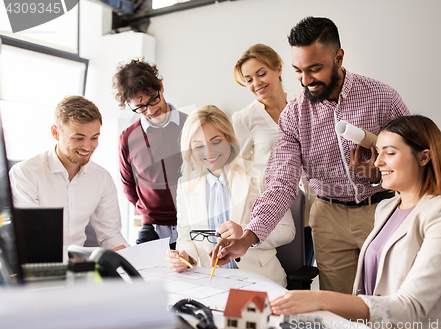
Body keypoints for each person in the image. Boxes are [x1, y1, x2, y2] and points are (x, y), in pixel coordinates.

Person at [211, 16, 411, 294]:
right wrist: (248, 237)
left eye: (314, 69)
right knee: (339, 306)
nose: (306, 80)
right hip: (328, 219)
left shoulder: (381, 97)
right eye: (298, 71)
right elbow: (281, 185)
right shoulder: (294, 115)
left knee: (390, 297)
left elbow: (414, 155)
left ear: (338, 57)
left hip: (382, 209)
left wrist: (382, 172)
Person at [270, 115, 441, 329]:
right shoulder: (386, 208)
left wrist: (320, 299)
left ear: (424, 158)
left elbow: (410, 307)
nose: (377, 162)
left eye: (390, 152)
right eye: (379, 152)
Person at [165, 105, 295, 287]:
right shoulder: (186, 186)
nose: (208, 153)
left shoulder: (260, 174)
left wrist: (245, 233)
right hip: (210, 284)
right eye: (199, 146)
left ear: (229, 138)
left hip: (258, 281)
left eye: (216, 141)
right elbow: (186, 238)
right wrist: (185, 257)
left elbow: (287, 230)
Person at [9, 95, 129, 251]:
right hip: (38, 264)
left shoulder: (101, 178)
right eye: (78, 138)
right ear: (55, 133)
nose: (87, 147)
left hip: (79, 268)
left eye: (94, 138)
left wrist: (132, 265)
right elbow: (31, 238)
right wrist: (81, 261)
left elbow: (110, 236)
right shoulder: (25, 174)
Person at [232, 43, 315, 265]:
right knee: (283, 272)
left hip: (313, 207)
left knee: (306, 270)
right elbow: (236, 171)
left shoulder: (304, 105)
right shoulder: (244, 119)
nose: (256, 83)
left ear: (278, 68)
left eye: (261, 74)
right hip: (276, 212)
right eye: (249, 80)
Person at [113, 59, 187, 247]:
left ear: (161, 87)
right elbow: (129, 186)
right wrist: (148, 211)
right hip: (152, 226)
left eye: (153, 99)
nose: (151, 110)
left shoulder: (192, 125)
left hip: (192, 223)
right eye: (141, 107)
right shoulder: (128, 138)